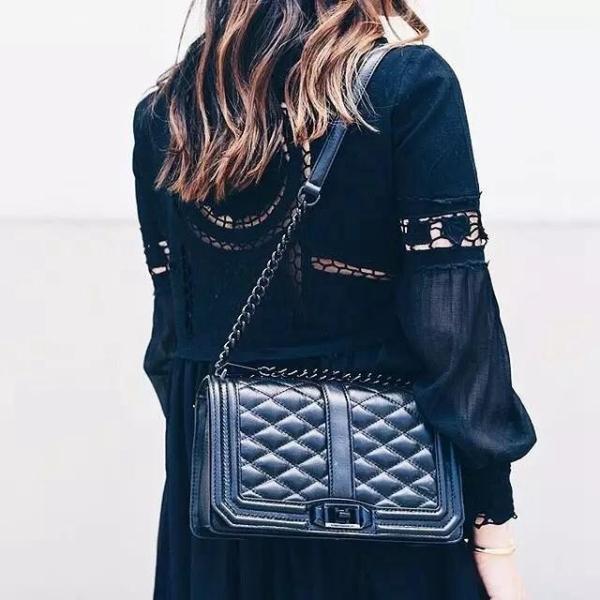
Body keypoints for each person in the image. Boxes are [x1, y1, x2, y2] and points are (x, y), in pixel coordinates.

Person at [132, 2, 536, 598]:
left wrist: (237, 447)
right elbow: (453, 330)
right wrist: (492, 526)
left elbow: (171, 341)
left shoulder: (165, 117)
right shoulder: (407, 86)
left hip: (222, 510)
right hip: (378, 499)